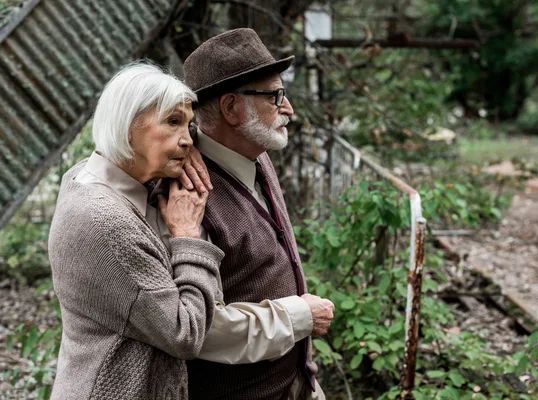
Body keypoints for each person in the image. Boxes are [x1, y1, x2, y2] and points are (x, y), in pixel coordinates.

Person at [48, 63, 224, 399]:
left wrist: (169, 152)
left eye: (189, 125)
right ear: (129, 125)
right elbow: (184, 334)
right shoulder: (108, 223)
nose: (188, 140)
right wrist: (188, 236)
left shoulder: (85, 175)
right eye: (173, 122)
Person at [180, 28, 334, 399]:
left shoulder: (257, 153)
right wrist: (299, 315)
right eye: (275, 96)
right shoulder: (187, 194)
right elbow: (198, 328)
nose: (288, 108)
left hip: (295, 385)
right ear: (231, 108)